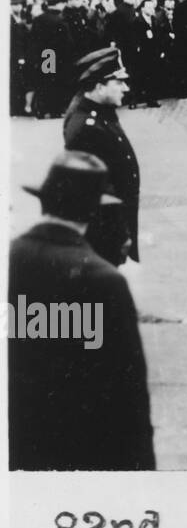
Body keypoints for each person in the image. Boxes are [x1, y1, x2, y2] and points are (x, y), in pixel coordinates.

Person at [9, 151, 155, 470]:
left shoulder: (12, 257)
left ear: (45, 199)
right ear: (93, 210)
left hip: (20, 439)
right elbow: (128, 395)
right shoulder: (103, 281)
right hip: (83, 444)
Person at [62, 48, 141, 266]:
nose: (126, 88)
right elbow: (94, 192)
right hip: (106, 232)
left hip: (118, 222)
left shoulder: (101, 111)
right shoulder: (85, 127)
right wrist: (120, 237)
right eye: (119, 82)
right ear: (99, 86)